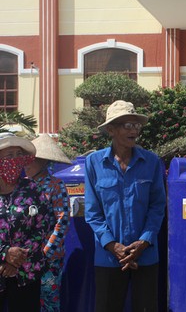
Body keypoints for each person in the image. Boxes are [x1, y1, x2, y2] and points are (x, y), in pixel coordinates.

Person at [85, 100, 166, 312]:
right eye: (127, 125)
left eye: (136, 125)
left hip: (145, 255)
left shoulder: (152, 162)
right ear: (111, 130)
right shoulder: (93, 163)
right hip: (108, 257)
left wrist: (144, 241)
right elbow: (93, 213)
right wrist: (114, 246)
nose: (134, 131)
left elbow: (158, 206)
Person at [0, 133, 51, 311]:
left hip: (26, 271)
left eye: (18, 155)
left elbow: (44, 226)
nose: (14, 160)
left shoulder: (33, 189)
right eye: (9, 156)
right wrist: (5, 254)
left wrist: (17, 259)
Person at [24, 134, 71, 312]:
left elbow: (63, 221)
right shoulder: (23, 185)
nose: (26, 165)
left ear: (43, 162)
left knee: (49, 303)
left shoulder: (55, 185)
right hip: (25, 258)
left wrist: (45, 251)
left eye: (31, 161)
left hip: (49, 259)